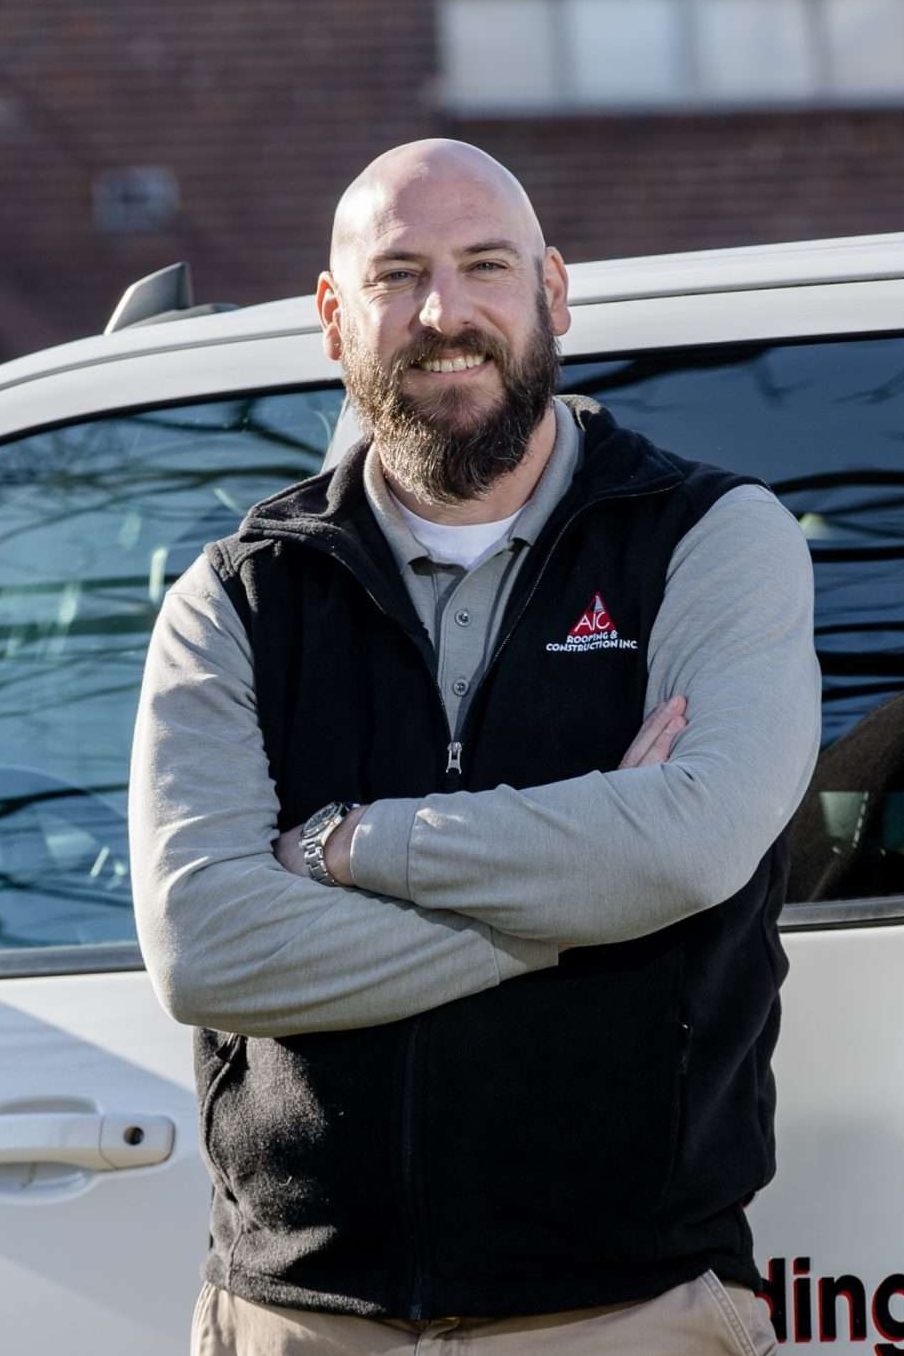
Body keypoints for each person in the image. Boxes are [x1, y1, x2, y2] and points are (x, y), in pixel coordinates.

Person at [129, 139, 821, 1356]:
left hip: (629, 1313)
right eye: (398, 275)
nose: (444, 313)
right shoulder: (237, 596)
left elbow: (694, 845)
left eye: (484, 265)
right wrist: (590, 885)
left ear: (552, 290)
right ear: (334, 316)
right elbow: (207, 947)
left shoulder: (711, 540)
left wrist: (348, 843)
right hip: (299, 1321)